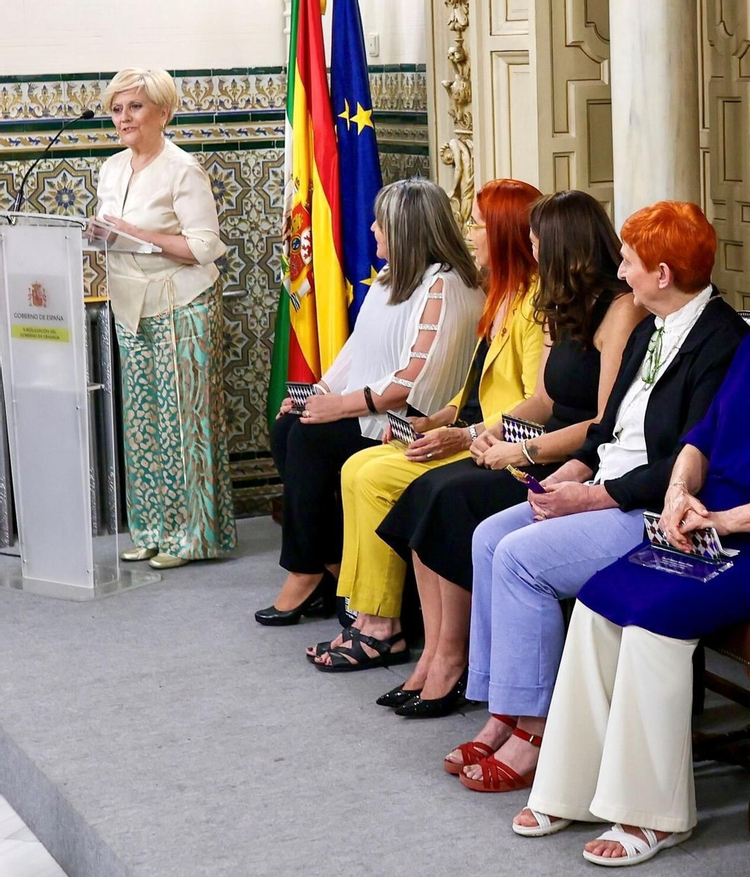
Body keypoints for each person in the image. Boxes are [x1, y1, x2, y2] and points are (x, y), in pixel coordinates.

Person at [512, 198, 750, 863]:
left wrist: (722, 518)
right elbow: (702, 437)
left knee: (657, 613)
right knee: (604, 593)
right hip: (719, 532)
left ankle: (652, 815)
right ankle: (572, 785)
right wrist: (677, 490)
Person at [438, 201, 748, 790]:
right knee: (487, 537)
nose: (622, 274)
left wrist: (595, 495)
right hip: (604, 485)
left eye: (631, 262)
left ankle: (534, 730)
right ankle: (504, 707)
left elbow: (689, 461)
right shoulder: (648, 324)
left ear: (662, 274)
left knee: (520, 559)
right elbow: (608, 430)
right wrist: (570, 472)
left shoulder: (722, 342)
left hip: (649, 508)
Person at [309, 188, 638, 672]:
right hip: (513, 439)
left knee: (429, 494)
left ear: (563, 244)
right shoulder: (548, 300)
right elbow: (542, 398)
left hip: (560, 455)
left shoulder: (612, 307)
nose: (469, 232)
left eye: (480, 223)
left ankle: (430, 648)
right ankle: (388, 627)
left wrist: (498, 443)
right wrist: (460, 427)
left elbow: (599, 423)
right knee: (365, 469)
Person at [262, 178, 484, 627]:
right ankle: (331, 566)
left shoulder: (446, 286)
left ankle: (309, 571)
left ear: (406, 232)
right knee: (288, 427)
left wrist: (339, 407)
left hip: (407, 418)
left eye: (381, 223)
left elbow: (413, 381)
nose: (372, 229)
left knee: (310, 440)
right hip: (369, 406)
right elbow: (354, 353)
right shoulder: (389, 278)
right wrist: (319, 394)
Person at [93, 68, 233, 569]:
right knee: (144, 423)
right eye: (117, 108)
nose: (124, 118)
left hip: (183, 305)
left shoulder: (182, 169)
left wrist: (135, 234)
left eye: (134, 107)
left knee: (184, 423)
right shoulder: (111, 168)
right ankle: (152, 530)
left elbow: (203, 246)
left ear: (163, 113)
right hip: (130, 305)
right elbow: (114, 231)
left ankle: (193, 537)